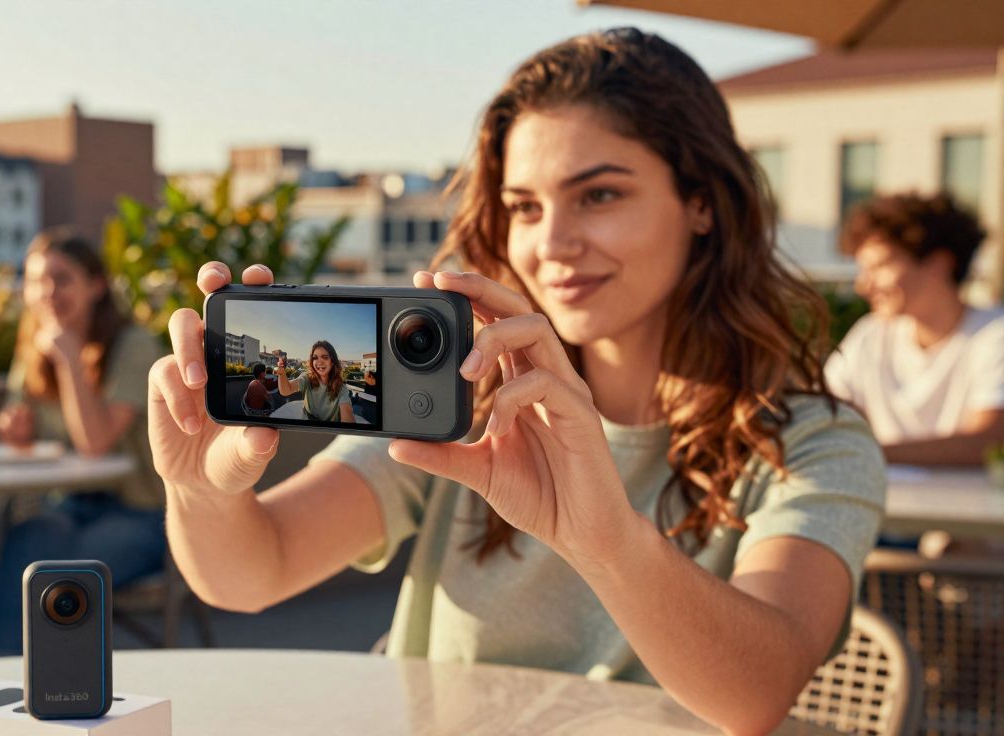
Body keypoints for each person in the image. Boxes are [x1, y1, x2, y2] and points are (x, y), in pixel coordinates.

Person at [147, 29, 887, 735]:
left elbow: (760, 693)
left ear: (701, 203)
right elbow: (253, 573)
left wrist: (604, 540)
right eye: (525, 207)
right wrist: (200, 489)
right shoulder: (464, 397)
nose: (552, 244)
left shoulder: (813, 443)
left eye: (599, 195)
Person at [0, 227, 165, 656]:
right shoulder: (33, 346)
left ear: (96, 286)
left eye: (61, 279)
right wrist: (15, 429)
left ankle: (38, 677)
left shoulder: (133, 344)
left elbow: (95, 443)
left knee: (55, 576)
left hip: (140, 513)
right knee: (27, 546)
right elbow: (17, 427)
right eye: (36, 280)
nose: (47, 292)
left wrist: (69, 360)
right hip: (68, 505)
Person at [825, 193, 1004, 465]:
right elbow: (825, 414)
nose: (863, 285)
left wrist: (869, 453)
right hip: (886, 492)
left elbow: (988, 441)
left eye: (880, 266)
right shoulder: (870, 335)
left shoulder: (994, 335)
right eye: (863, 270)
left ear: (939, 264)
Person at [275, 341, 354, 422]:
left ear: (332, 362)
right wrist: (281, 373)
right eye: (315, 358)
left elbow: (347, 414)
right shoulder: (307, 378)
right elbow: (286, 390)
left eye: (325, 357)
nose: (319, 362)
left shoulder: (341, 388)